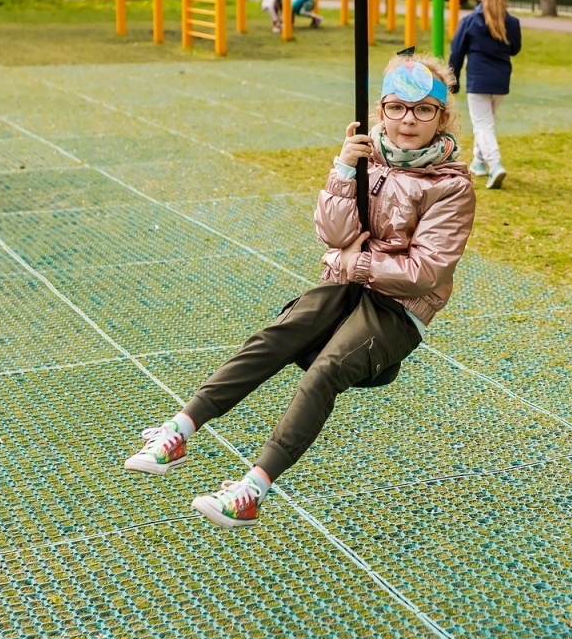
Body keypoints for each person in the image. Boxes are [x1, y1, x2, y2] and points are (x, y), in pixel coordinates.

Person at [124, 54, 476, 527]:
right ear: (380, 110)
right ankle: (179, 431)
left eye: (422, 110)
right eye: (396, 107)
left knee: (326, 370)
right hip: (348, 284)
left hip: (399, 307)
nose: (407, 120)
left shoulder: (451, 186)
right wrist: (344, 171)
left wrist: (355, 260)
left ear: (442, 117)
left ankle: (252, 490)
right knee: (277, 334)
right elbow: (333, 234)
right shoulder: (364, 158)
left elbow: (424, 271)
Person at [448, 0, 522, 188]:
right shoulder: (512, 22)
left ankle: (495, 164)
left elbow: (456, 52)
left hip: (478, 81)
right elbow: (515, 49)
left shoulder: (470, 21)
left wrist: (453, 80)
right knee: (486, 124)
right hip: (500, 82)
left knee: (482, 126)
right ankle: (479, 162)